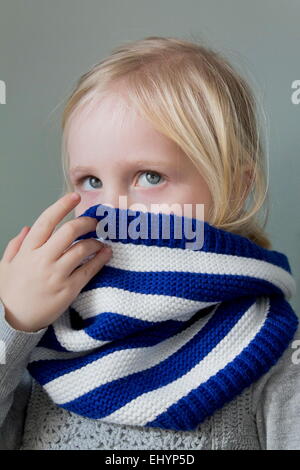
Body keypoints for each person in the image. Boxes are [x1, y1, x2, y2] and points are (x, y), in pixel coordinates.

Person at [0, 36, 299, 450]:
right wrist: (15, 323)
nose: (114, 209)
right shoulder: (48, 323)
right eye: (91, 181)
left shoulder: (273, 346)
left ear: (234, 184)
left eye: (150, 177)